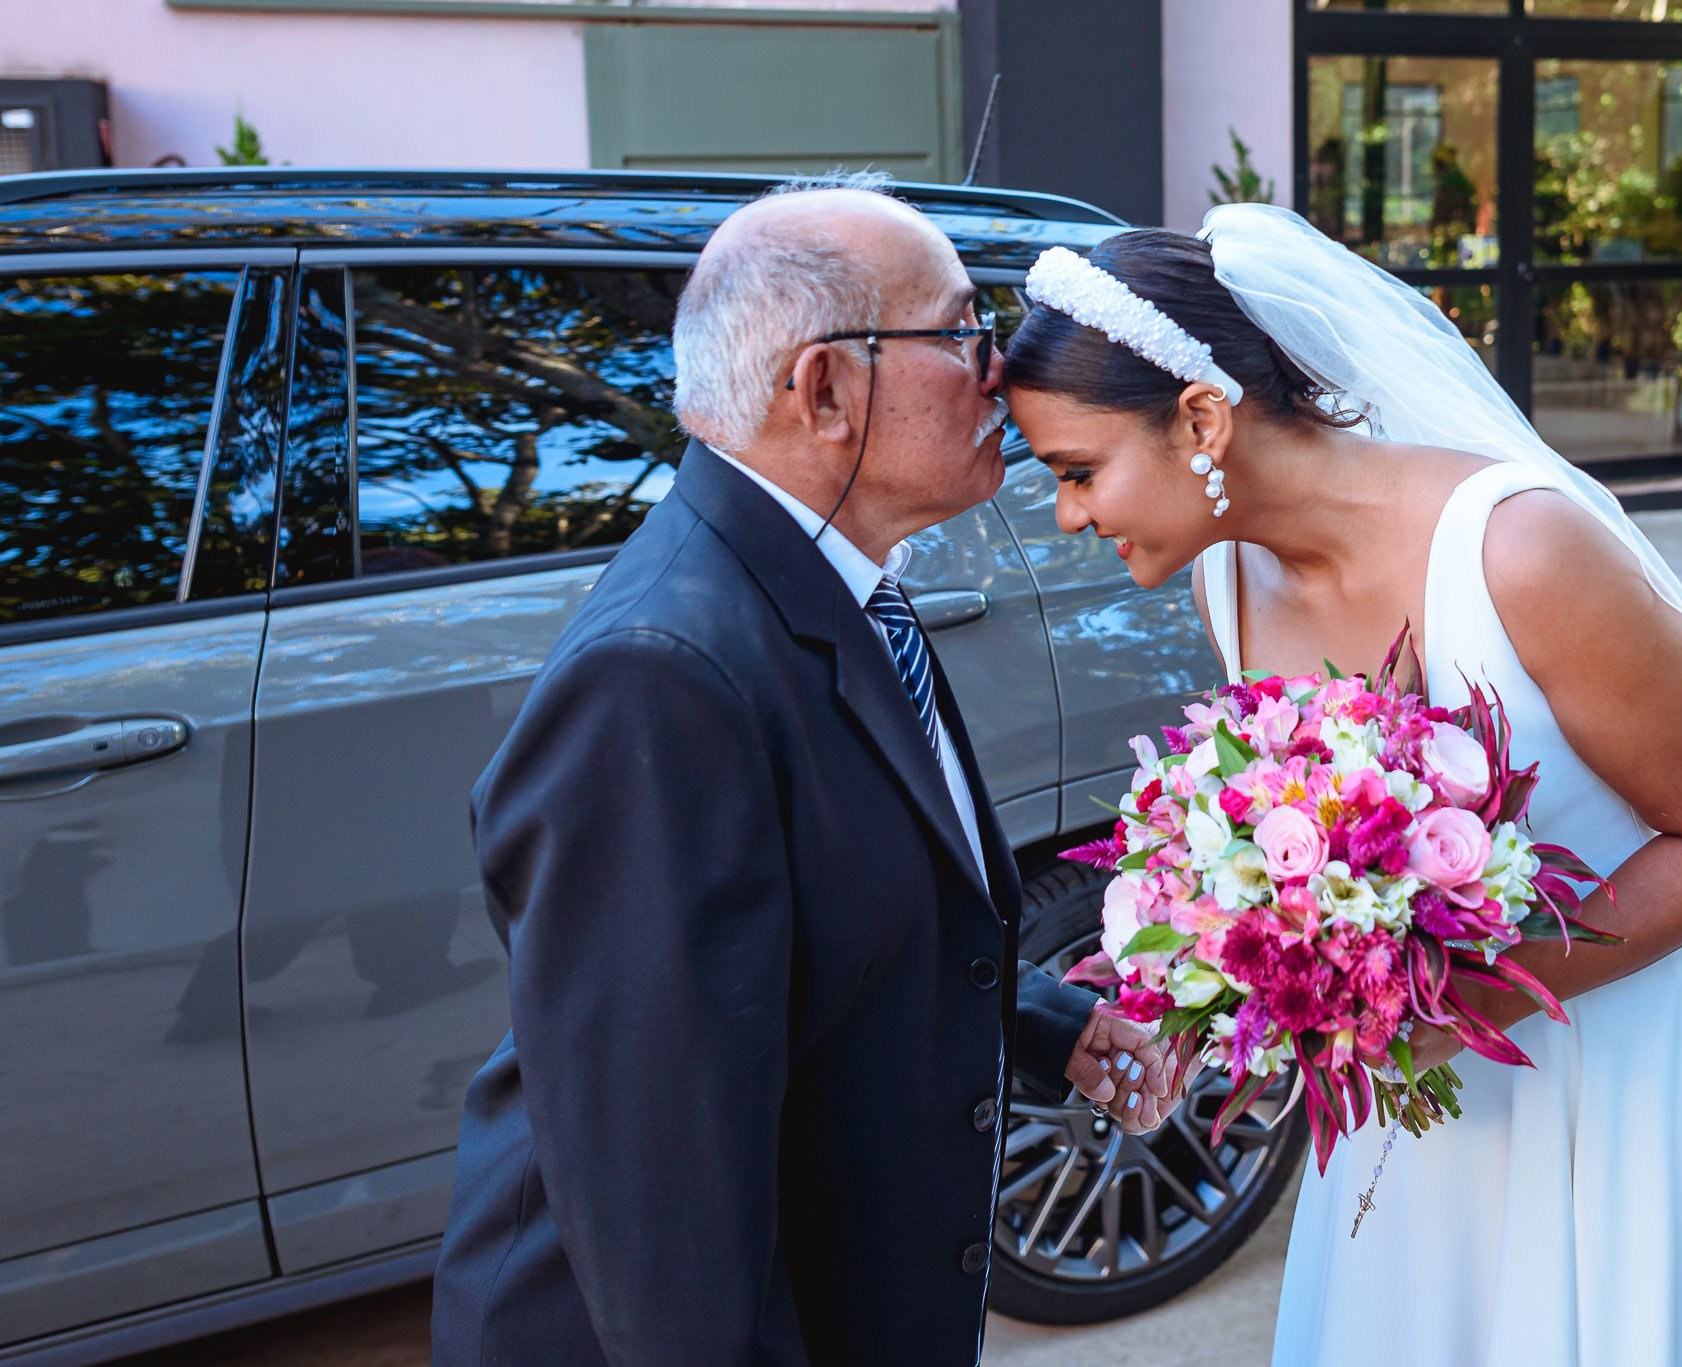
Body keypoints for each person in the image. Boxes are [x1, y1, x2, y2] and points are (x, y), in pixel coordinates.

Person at [999, 203, 1682, 1366]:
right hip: (1421, 1120)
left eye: (1078, 472)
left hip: (1612, 1077)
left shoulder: (1518, 548)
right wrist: (1218, 978)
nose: (1069, 514)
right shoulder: (1225, 578)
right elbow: (1296, 846)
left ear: (1201, 417)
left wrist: (1454, 1004)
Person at [430, 180, 1181, 1367]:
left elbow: (830, 936)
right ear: (824, 389)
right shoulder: (660, 675)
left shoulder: (828, 579)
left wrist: (1034, 1018)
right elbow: (662, 1190)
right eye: (959, 332)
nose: (999, 370)